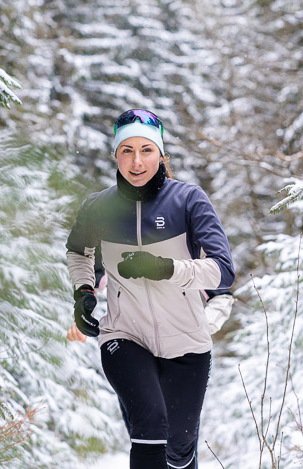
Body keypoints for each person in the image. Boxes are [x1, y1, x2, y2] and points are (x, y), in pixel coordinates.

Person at [65, 108, 236, 469]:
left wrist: (166, 269)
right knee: (149, 424)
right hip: (124, 334)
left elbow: (222, 272)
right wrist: (84, 293)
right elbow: (78, 252)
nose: (137, 160)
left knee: (178, 447)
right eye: (127, 150)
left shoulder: (188, 200)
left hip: (187, 342)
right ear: (115, 154)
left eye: (146, 149)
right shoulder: (99, 206)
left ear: (161, 154)